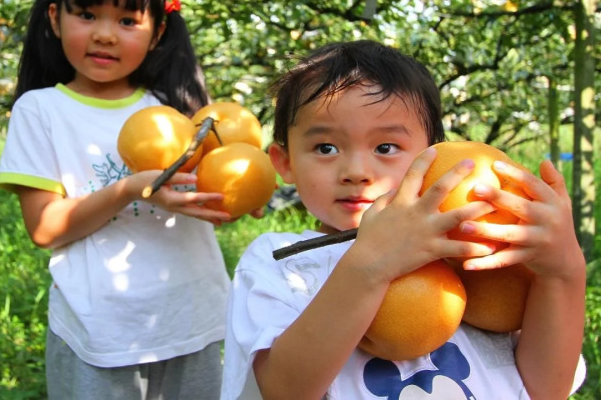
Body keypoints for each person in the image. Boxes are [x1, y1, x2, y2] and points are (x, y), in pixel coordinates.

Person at [221, 40, 586, 399]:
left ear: (433, 155)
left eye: (386, 147)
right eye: (325, 148)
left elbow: (546, 388)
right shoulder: (280, 264)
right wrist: (369, 267)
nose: (357, 171)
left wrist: (563, 271)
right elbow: (284, 391)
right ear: (285, 163)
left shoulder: (477, 254)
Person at [0, 0, 233, 399]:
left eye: (127, 21)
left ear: (157, 31)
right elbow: (45, 227)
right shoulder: (42, 110)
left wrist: (236, 198)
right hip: (101, 331)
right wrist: (130, 189)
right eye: (87, 15)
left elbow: (205, 196)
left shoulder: (173, 111)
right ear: (55, 19)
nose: (105, 35)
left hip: (192, 318)